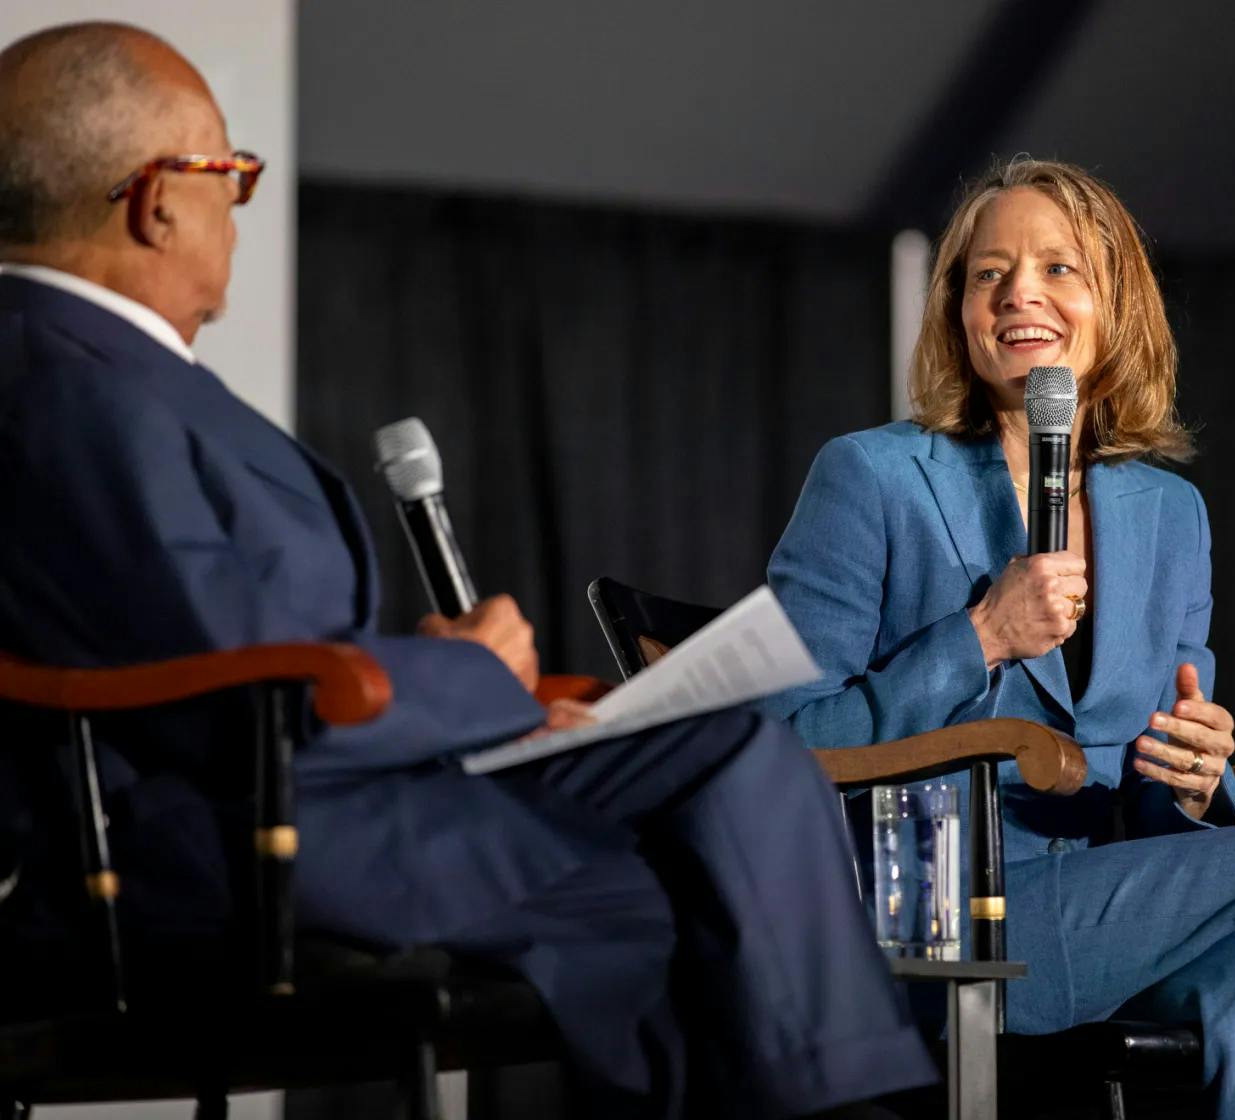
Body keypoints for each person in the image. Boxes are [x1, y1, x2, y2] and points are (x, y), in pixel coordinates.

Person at [0, 22, 934, 1118]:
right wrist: (474, 682)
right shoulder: (69, 385)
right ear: (160, 197)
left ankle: (849, 1098)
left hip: (348, 774)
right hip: (244, 836)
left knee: (736, 748)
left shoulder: (105, 372)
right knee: (681, 896)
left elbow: (241, 646)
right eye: (231, 174)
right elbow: (236, 681)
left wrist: (434, 678)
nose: (234, 206)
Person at [767, 158, 1235, 1118]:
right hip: (928, 912)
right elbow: (780, 741)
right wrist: (979, 637)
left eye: (1059, 269)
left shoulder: (1170, 513)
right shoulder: (871, 478)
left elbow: (1165, 813)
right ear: (959, 308)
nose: (1020, 296)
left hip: (1097, 912)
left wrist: (1196, 770)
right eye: (988, 273)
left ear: (1114, 306)